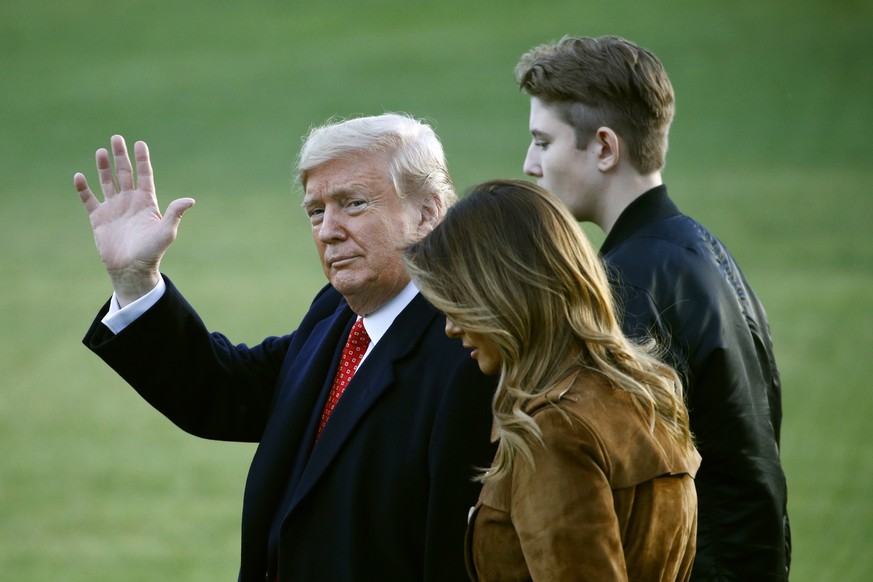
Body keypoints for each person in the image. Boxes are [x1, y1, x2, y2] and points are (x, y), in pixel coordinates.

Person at [73, 113, 496, 581]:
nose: (328, 230)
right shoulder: (335, 313)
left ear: (429, 211)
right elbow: (227, 393)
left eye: (353, 204)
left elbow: (453, 555)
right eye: (316, 211)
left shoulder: (471, 350)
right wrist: (136, 280)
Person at [515, 35, 791, 580]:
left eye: (543, 142)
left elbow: (622, 488)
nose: (529, 165)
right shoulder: (699, 249)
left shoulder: (627, 282)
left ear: (604, 148)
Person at [403, 179, 702, 581]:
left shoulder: (556, 432)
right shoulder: (642, 395)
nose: (450, 327)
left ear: (507, 292)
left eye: (460, 303)